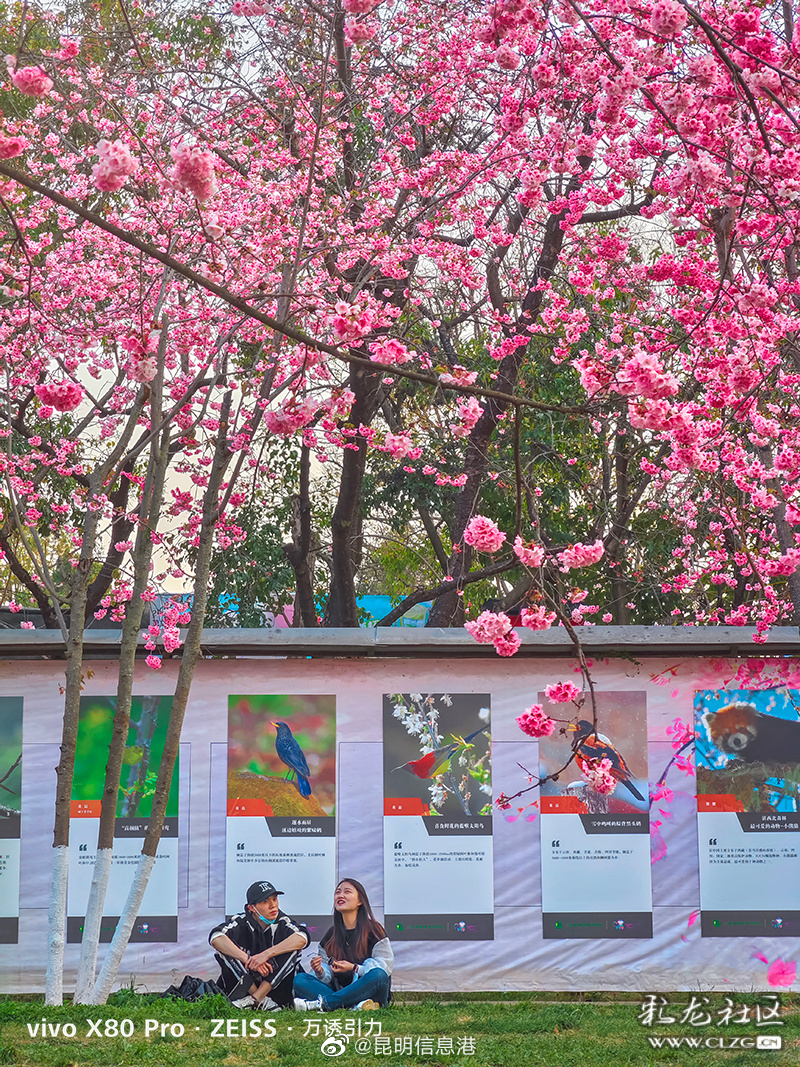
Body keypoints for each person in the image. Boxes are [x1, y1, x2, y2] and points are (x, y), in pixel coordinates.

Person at [293, 878, 392, 1011]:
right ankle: (351, 1005)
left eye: (347, 892)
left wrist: (354, 968)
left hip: (371, 992)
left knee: (378, 974)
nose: (341, 895)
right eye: (338, 892)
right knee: (300, 980)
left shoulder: (375, 930)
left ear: (360, 901)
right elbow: (326, 975)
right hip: (340, 990)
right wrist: (320, 971)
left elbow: (385, 967)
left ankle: (326, 1003)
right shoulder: (330, 934)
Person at [209, 880, 309, 1009]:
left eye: (275, 899)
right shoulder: (241, 921)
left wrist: (266, 955)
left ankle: (256, 999)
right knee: (226, 949)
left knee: (292, 949)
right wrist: (249, 960)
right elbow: (215, 937)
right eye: (265, 902)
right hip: (245, 989)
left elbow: (302, 937)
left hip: (278, 992)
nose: (273, 905)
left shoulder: (283, 920)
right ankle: (259, 1001)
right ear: (251, 908)